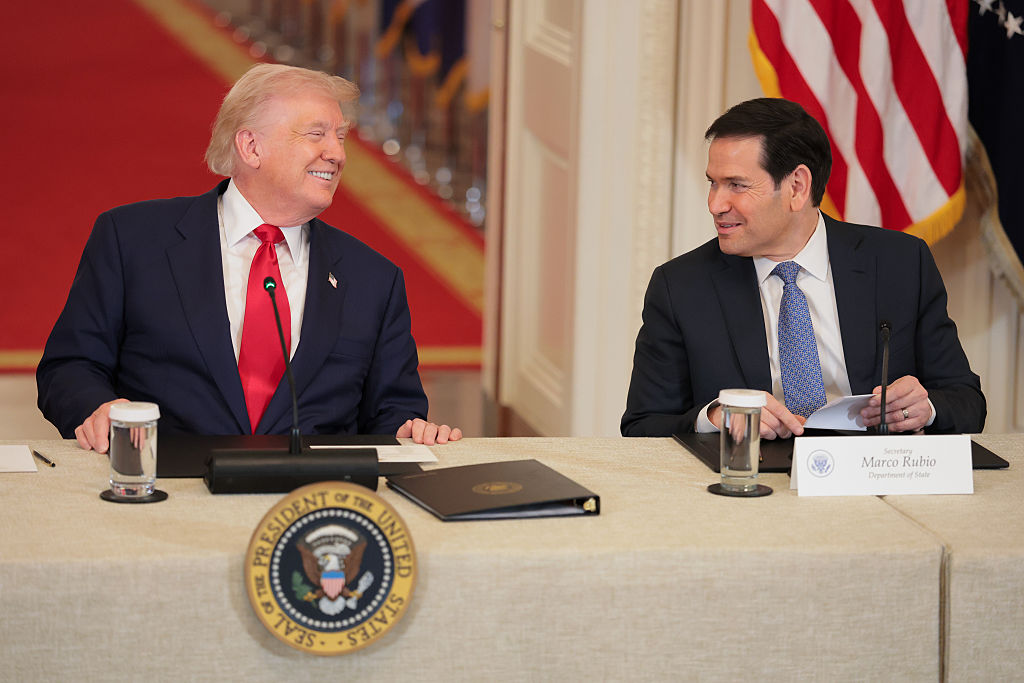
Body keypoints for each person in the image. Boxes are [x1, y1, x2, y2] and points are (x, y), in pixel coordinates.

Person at [37, 64, 462, 451]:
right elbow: (69, 368)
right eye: (316, 135)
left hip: (308, 507)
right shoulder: (132, 240)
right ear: (251, 147)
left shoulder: (374, 279)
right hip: (166, 496)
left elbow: (393, 412)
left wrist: (411, 430)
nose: (337, 153)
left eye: (340, 136)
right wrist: (98, 409)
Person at [621, 97, 985, 439]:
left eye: (736, 185)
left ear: (797, 186)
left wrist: (927, 408)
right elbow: (642, 425)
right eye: (713, 183)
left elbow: (966, 402)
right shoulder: (681, 286)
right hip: (754, 488)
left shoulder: (900, 264)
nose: (715, 204)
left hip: (872, 481)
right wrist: (715, 417)